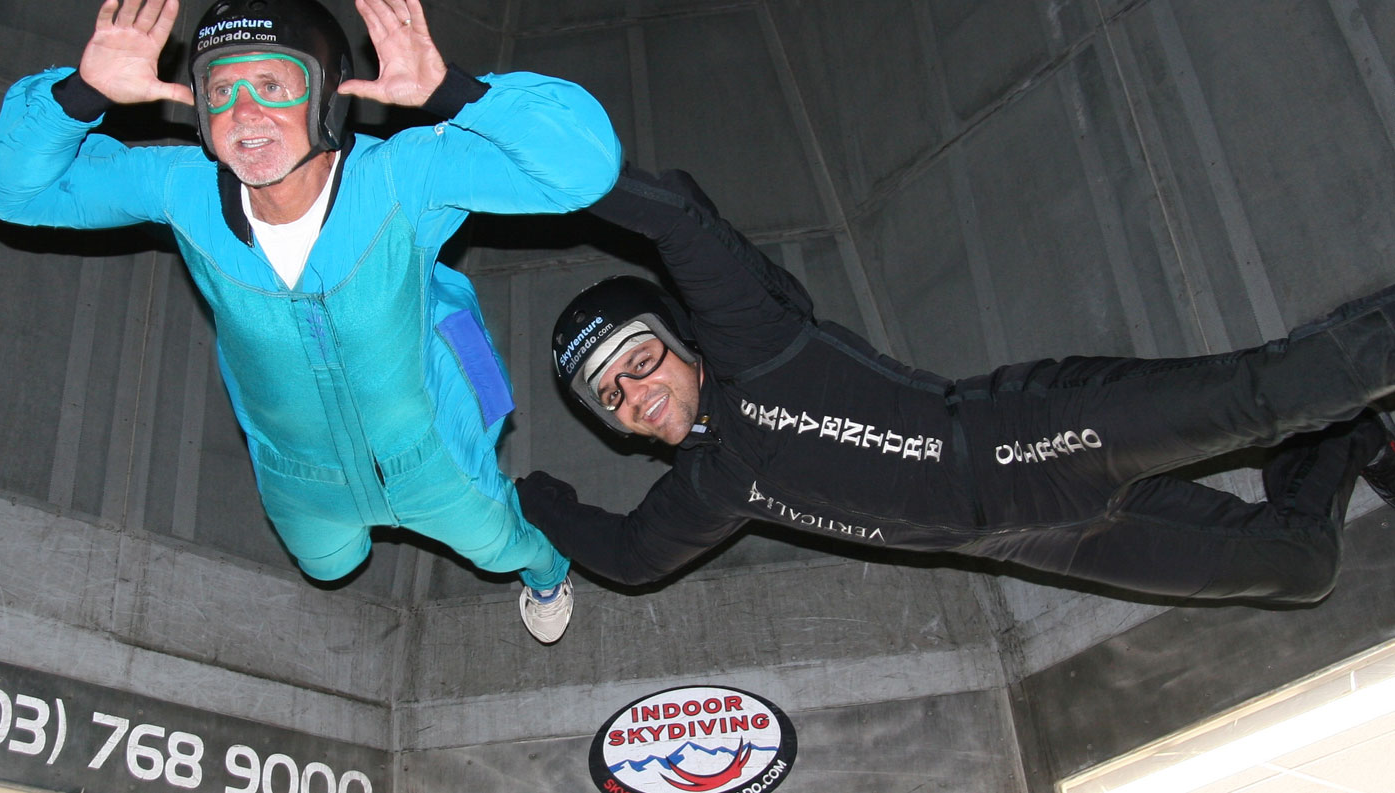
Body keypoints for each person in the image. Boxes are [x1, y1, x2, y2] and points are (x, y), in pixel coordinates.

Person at [0, 0, 622, 643]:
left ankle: (547, 571)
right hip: (297, 475)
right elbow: (10, 193)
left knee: (502, 544)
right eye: (220, 92)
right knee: (330, 564)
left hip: (430, 456)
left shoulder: (400, 177)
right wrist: (81, 95)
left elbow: (584, 170)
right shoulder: (182, 189)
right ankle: (344, 537)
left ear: (326, 96)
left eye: (272, 84)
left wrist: (457, 94)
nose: (244, 112)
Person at [518, 165, 1395, 605]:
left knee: (1267, 391)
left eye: (636, 360)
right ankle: (1346, 439)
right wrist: (522, 500)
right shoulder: (709, 487)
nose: (633, 394)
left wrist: (472, 114)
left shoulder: (757, 346)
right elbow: (631, 557)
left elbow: (675, 215)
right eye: (609, 397)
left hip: (1031, 437)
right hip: (1040, 542)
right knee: (1303, 565)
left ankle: (1334, 404)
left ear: (681, 340)